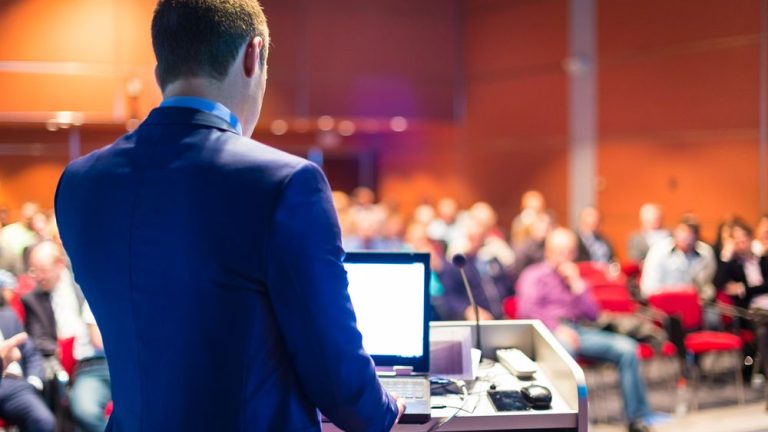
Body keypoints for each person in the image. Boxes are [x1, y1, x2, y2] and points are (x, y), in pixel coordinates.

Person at [54, 1, 403, 430]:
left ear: (161, 66)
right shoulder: (286, 183)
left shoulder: (79, 183)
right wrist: (385, 411)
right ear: (253, 55)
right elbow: (336, 375)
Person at [516, 228, 652, 432]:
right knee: (566, 350)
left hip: (579, 330)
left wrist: (577, 285)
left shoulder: (575, 276)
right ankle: (570, 422)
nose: (566, 257)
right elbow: (526, 310)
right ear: (548, 251)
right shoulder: (533, 275)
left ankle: (637, 419)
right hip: (548, 333)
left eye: (570, 251)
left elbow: (593, 314)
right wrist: (557, 327)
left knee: (628, 349)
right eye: (560, 251)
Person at [641, 214, 719, 329]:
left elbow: (709, 284)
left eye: (691, 234)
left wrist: (702, 298)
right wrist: (675, 297)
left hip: (696, 305)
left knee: (713, 318)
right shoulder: (658, 251)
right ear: (675, 233)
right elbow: (648, 288)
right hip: (664, 306)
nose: (687, 238)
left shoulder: (706, 253)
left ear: (697, 236)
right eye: (683, 233)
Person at [0, 306, 54, 431]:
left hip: (14, 384)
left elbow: (31, 352)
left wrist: (33, 382)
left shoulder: (9, 317)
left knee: (43, 420)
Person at [69, 302, 111, 432]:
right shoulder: (97, 294)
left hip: (130, 367)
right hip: (94, 367)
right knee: (86, 411)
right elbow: (98, 341)